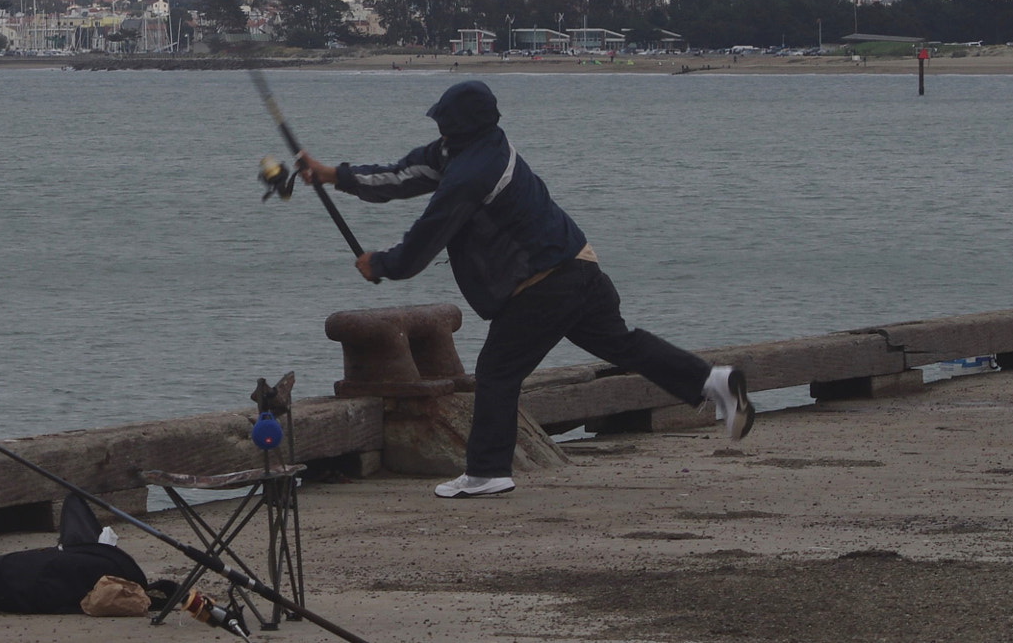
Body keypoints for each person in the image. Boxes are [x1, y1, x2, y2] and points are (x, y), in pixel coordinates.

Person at [297, 80, 750, 499]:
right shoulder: (470, 148)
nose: (438, 130)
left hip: (544, 281)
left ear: (460, 126)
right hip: (579, 263)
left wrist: (381, 264)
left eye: (443, 123)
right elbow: (404, 175)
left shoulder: (473, 173)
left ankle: (487, 471)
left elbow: (426, 238)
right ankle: (711, 380)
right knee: (623, 345)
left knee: (497, 371)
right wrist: (334, 175)